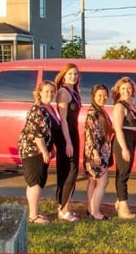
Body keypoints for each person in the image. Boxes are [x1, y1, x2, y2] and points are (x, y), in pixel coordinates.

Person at [18, 80, 59, 224]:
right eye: (46, 91)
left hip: (38, 150)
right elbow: (37, 134)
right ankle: (33, 217)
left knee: (34, 183)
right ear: (39, 92)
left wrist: (51, 147)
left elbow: (47, 131)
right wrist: (44, 152)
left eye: (52, 92)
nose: (50, 94)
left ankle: (33, 212)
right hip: (34, 151)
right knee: (36, 182)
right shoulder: (37, 109)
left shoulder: (46, 108)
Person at [54, 63, 81, 222]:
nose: (73, 76)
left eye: (76, 74)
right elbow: (63, 120)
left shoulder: (73, 91)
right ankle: (63, 210)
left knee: (71, 171)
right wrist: (68, 142)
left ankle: (64, 206)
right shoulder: (63, 92)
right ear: (64, 75)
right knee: (69, 172)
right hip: (66, 135)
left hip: (72, 133)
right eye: (70, 74)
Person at [83, 84, 113, 220]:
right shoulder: (93, 113)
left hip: (100, 151)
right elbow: (90, 134)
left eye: (105, 95)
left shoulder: (100, 111)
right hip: (96, 153)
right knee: (102, 181)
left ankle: (91, 209)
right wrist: (95, 153)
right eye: (99, 95)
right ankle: (96, 212)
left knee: (92, 181)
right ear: (93, 96)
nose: (103, 98)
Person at [111, 76, 136, 219]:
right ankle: (123, 207)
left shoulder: (132, 106)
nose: (126, 91)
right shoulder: (119, 106)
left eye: (128, 88)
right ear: (118, 91)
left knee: (126, 172)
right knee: (122, 174)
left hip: (131, 140)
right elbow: (118, 128)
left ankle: (119, 201)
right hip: (123, 142)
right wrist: (124, 148)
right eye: (123, 88)